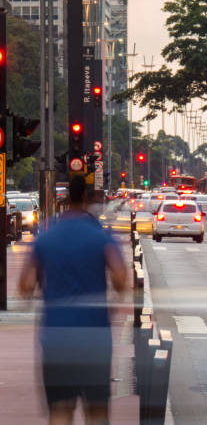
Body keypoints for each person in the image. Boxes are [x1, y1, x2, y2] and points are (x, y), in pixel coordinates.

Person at [19, 175, 128, 425]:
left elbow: (25, 286)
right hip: (95, 338)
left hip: (56, 337)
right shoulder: (102, 236)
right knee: (97, 410)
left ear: (66, 199)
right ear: (88, 199)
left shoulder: (46, 237)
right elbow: (121, 280)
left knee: (60, 409)